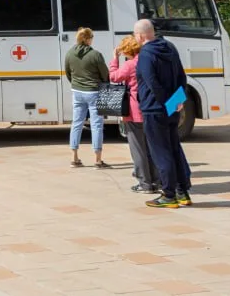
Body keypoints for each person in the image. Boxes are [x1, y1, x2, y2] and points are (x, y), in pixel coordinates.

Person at [134, 18, 193, 208]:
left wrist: (164, 102)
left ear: (141, 35)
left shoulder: (146, 54)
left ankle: (168, 195)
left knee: (161, 151)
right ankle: (182, 191)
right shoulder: (170, 47)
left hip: (153, 109)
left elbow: (152, 83)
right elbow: (181, 77)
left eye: (135, 34)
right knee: (174, 148)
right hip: (171, 109)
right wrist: (175, 103)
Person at [109, 35, 159, 193]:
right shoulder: (147, 61)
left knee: (138, 149)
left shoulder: (130, 65)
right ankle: (156, 181)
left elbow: (114, 77)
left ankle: (144, 184)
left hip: (134, 112)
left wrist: (114, 60)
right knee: (151, 148)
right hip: (150, 110)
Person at [64, 26, 110, 168]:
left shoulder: (70, 53)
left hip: (77, 92)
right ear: (88, 39)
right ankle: (97, 159)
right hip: (94, 92)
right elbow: (105, 74)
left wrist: (76, 83)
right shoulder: (96, 55)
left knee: (76, 123)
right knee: (96, 125)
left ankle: (74, 158)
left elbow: (68, 72)